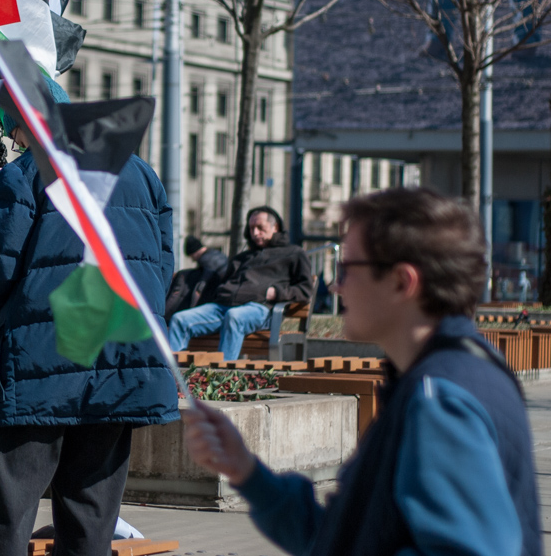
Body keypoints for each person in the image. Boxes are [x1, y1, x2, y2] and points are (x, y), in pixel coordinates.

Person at [182, 188, 542, 556]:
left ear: (402, 281)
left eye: (347, 269)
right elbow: (344, 538)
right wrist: (247, 473)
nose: (336, 286)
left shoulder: (441, 400)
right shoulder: (457, 371)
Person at [0, 87, 178, 555]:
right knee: (91, 516)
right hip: (123, 361)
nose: (17, 141)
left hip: (41, 361)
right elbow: (162, 269)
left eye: (16, 130)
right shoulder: (143, 175)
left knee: (7, 510)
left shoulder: (23, 174)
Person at [167, 207, 312, 359]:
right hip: (223, 306)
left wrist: (276, 292)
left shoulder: (294, 254)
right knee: (180, 320)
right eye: (251, 228)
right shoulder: (242, 257)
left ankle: (223, 377)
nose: (255, 233)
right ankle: (172, 377)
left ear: (275, 227)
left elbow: (305, 290)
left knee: (234, 317)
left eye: (260, 228)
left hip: (259, 308)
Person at [164, 235, 229, 321]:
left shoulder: (205, 260)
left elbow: (201, 286)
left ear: (194, 252)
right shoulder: (215, 254)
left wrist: (193, 308)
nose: (193, 260)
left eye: (191, 257)